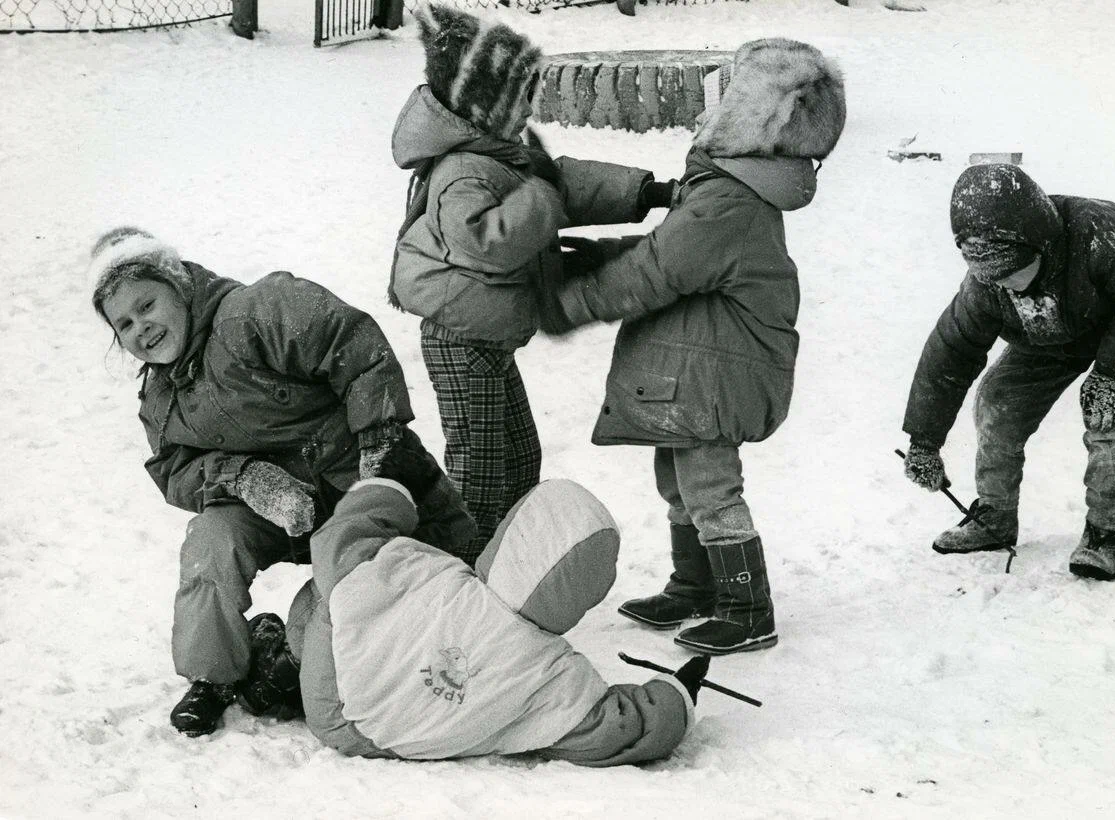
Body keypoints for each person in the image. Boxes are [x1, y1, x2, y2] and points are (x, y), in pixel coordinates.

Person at [88, 226, 476, 738]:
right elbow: (174, 471)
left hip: (360, 482)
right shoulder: (160, 401)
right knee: (212, 541)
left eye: (147, 304)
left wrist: (379, 449)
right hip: (279, 510)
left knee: (407, 609)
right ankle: (214, 675)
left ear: (178, 285)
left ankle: (301, 647)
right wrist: (243, 477)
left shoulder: (254, 313)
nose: (142, 327)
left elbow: (353, 343)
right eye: (125, 323)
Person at [535, 39, 847, 655]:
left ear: (751, 119)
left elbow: (660, 269)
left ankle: (746, 607)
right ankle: (695, 584)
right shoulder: (726, 189)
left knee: (709, 485)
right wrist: (598, 256)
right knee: (679, 481)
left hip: (718, 374)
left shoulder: (729, 199)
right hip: (705, 367)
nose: (712, 110)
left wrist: (570, 304)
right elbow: (671, 251)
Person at [387, 3, 676, 566]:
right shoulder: (460, 173)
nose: (530, 107)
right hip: (459, 340)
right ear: (483, 104)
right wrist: (542, 193)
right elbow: (489, 243)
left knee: (519, 457)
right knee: (480, 469)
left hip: (488, 339)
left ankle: (505, 562)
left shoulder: (500, 152)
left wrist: (643, 192)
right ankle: (458, 579)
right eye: (520, 95)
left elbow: (564, 182)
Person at [254, 477, 708, 767]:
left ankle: (282, 661)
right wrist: (677, 695)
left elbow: (344, 541)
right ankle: (287, 660)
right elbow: (621, 728)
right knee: (342, 596)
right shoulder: (558, 677)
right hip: (377, 740)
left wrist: (388, 492)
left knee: (327, 597)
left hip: (333, 699)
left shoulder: (431, 576)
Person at [901, 163, 1115, 581]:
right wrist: (924, 440)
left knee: (1110, 424)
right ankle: (994, 516)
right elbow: (951, 353)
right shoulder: (988, 287)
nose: (1006, 285)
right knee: (997, 403)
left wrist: (1112, 371)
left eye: (1013, 271)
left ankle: (1105, 533)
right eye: (994, 278)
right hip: (1045, 337)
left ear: (1040, 245)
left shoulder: (1108, 237)